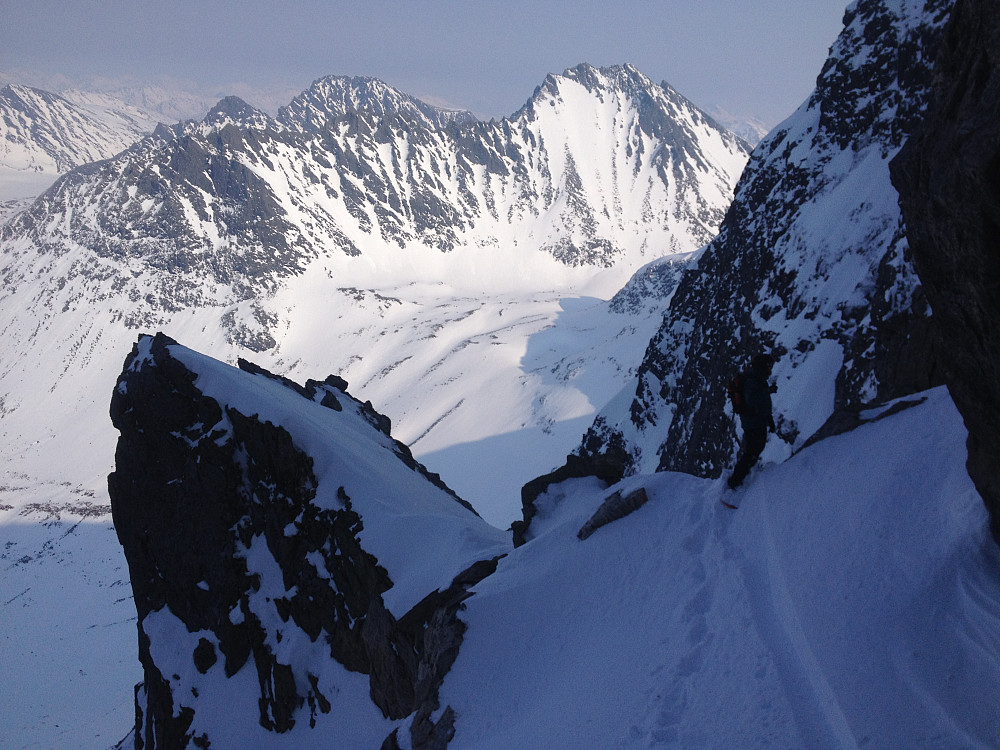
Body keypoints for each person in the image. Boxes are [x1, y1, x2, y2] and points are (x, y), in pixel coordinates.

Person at [727, 353, 776, 490]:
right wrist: (766, 415)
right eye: (769, 367)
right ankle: (735, 481)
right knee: (752, 451)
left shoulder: (755, 378)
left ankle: (741, 476)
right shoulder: (754, 380)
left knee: (754, 450)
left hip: (754, 422)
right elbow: (755, 402)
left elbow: (758, 400)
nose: (770, 370)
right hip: (753, 423)